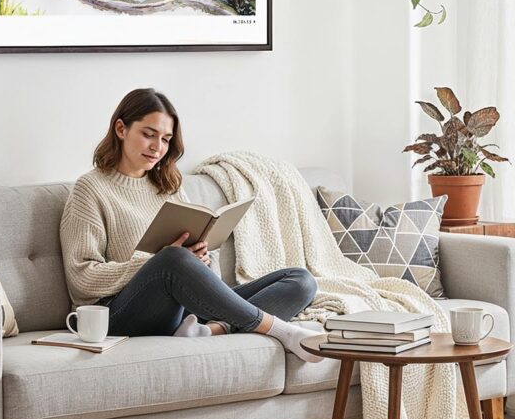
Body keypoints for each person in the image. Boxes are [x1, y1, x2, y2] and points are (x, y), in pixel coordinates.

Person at [59, 88, 324, 362]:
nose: (157, 147)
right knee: (172, 258)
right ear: (120, 129)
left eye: (165, 139)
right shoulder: (90, 189)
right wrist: (156, 261)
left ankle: (212, 330)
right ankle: (283, 332)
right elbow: (82, 278)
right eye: (149, 134)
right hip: (117, 316)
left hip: (181, 308)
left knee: (301, 280)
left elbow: (199, 269)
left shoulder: (167, 186)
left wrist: (202, 260)